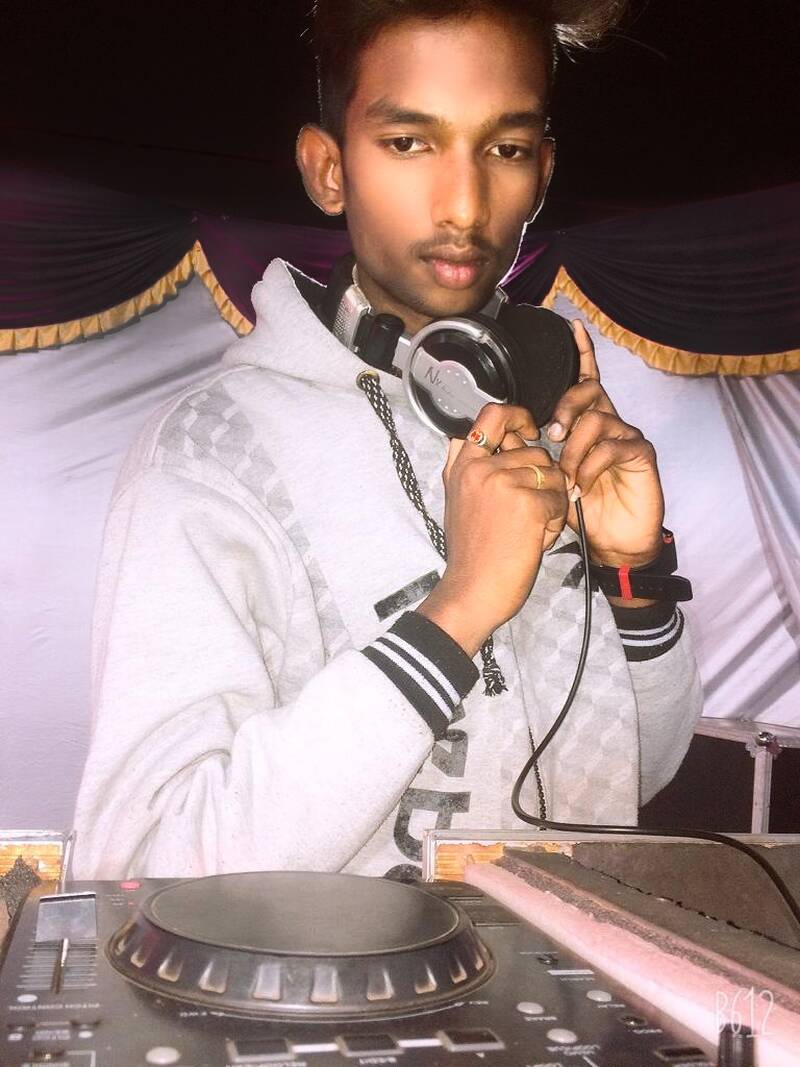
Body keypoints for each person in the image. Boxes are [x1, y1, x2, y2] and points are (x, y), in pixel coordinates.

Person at [73, 0, 702, 880]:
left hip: (555, 963)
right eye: (410, 142)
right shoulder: (210, 452)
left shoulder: (544, 420)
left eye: (506, 148)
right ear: (329, 169)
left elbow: (635, 774)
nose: (465, 204)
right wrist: (456, 611)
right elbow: (145, 865)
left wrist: (634, 580)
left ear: (543, 172)